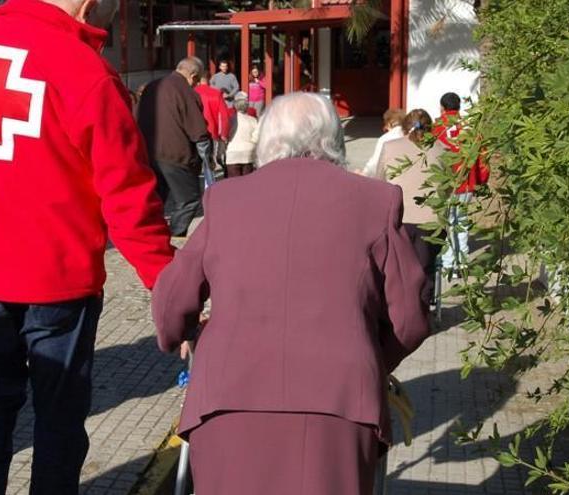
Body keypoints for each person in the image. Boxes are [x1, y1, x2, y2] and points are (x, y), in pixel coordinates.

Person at [0, 0, 175, 493]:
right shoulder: (83, 69)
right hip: (58, 283)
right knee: (59, 419)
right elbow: (128, 195)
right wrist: (169, 286)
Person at [151, 92, 430, 495]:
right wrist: (371, 357)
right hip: (339, 404)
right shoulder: (375, 201)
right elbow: (411, 317)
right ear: (334, 141)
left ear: (266, 142)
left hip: (228, 399)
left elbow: (169, 305)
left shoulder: (225, 200)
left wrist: (185, 335)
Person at [136, 57, 212, 237]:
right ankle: (175, 232)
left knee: (156, 198)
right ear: (193, 76)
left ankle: (151, 231)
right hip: (175, 154)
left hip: (149, 151)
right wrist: (207, 159)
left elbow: (136, 115)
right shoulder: (184, 91)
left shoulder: (151, 87)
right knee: (189, 199)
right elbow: (198, 129)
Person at [377, 109, 445, 304]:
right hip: (431, 224)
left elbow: (379, 181)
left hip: (399, 221)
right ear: (430, 129)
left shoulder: (389, 147)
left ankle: (396, 308)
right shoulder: (440, 148)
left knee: (397, 267)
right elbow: (447, 187)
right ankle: (423, 308)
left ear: (404, 128)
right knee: (426, 267)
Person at [432, 92, 489, 274]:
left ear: (442, 107)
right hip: (466, 180)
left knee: (447, 223)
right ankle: (462, 262)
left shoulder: (435, 127)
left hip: (445, 182)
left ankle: (448, 263)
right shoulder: (470, 127)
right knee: (461, 221)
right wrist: (481, 181)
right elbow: (483, 158)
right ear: (459, 107)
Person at [194, 71, 230, 171]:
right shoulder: (216, 93)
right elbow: (224, 115)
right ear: (209, 80)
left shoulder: (192, 92)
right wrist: (224, 133)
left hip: (194, 131)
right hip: (211, 131)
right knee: (209, 163)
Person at [362, 108, 406, 177]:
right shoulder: (409, 136)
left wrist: (364, 173)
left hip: (389, 178)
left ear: (388, 124)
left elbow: (375, 163)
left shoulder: (384, 139)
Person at [224, 92, 258, 177]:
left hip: (233, 153)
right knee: (246, 184)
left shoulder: (230, 120)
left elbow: (224, 134)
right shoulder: (253, 120)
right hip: (248, 153)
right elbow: (256, 138)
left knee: (233, 184)